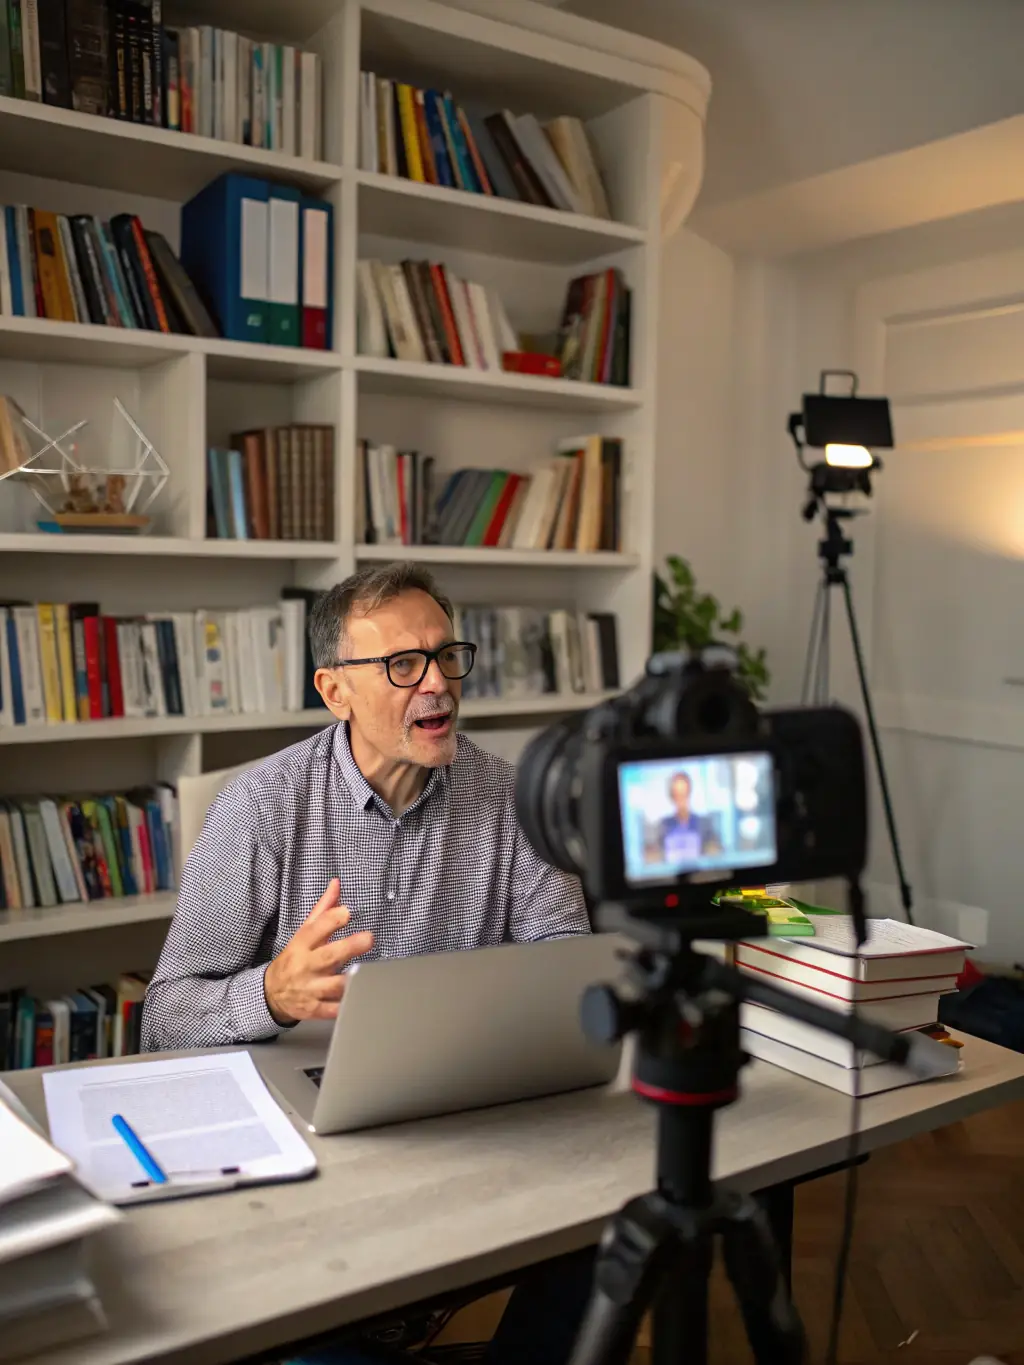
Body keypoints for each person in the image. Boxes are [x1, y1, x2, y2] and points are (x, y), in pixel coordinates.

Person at [140, 562, 595, 1365]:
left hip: (472, 1129)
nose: (437, 685)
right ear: (334, 688)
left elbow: (570, 975)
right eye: (402, 665)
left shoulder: (515, 799)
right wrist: (270, 994)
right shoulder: (259, 806)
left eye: (447, 657)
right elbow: (163, 1017)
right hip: (308, 1157)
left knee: (610, 1240)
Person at [659, 770, 703, 865]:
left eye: (684, 794)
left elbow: (714, 855)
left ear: (689, 793)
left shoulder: (703, 824)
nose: (681, 800)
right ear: (672, 797)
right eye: (677, 795)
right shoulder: (663, 826)